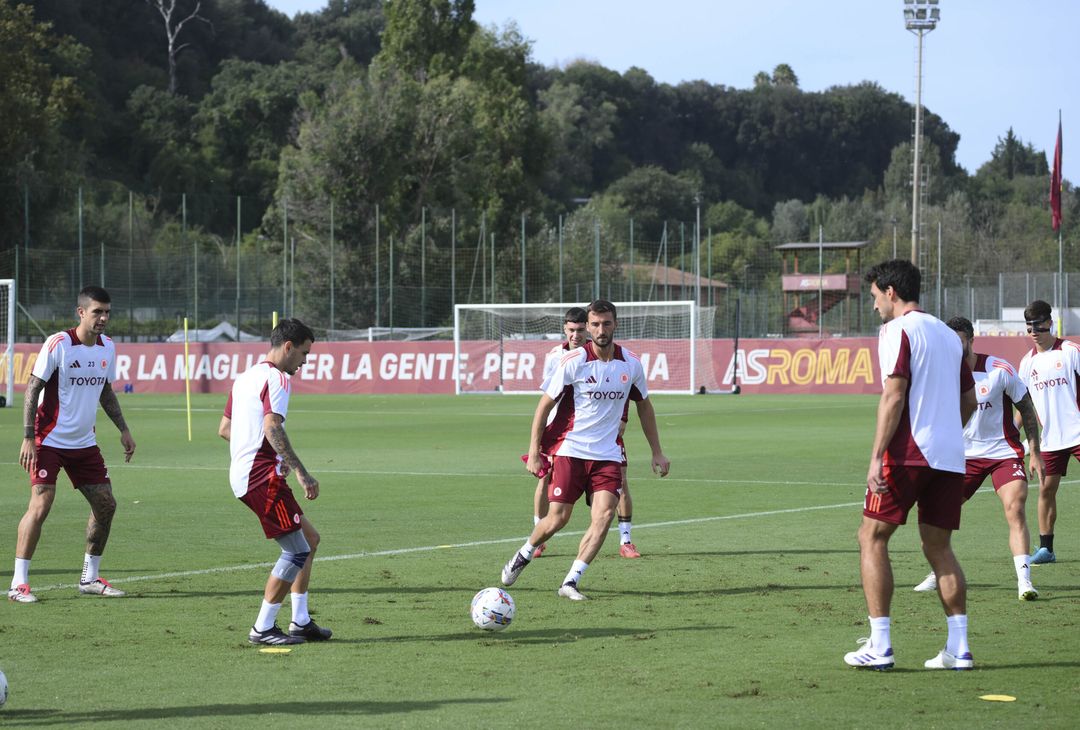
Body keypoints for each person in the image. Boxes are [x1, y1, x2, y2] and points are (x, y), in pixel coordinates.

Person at [843, 260, 977, 671]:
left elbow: (894, 395)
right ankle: (959, 649)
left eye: (874, 296)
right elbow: (970, 400)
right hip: (950, 457)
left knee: (871, 537)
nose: (874, 306)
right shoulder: (949, 335)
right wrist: (945, 432)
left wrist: (876, 457)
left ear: (891, 292)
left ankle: (880, 645)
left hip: (908, 453)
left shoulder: (896, 330)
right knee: (939, 547)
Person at [501, 300, 670, 601]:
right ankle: (524, 553)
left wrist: (657, 451)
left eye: (606, 323)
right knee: (558, 518)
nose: (600, 330)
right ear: (589, 327)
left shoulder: (631, 363)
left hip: (607, 454)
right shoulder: (574, 361)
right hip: (571, 450)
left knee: (604, 515)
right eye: (595, 324)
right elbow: (544, 407)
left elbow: (644, 406)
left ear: (615, 324)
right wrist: (535, 451)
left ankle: (570, 581)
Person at [9, 285, 136, 603]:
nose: (103, 318)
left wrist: (123, 429)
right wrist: (28, 437)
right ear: (81, 312)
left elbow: (105, 391)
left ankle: (90, 578)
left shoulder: (107, 347)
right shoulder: (59, 344)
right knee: (41, 505)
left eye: (107, 312)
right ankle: (18, 583)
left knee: (106, 505)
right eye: (97, 312)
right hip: (48, 439)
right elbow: (33, 388)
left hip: (84, 443)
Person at [912, 316, 1043, 600]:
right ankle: (939, 571)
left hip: (1002, 453)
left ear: (971, 340)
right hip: (961, 456)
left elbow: (1026, 407)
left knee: (1015, 508)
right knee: (937, 515)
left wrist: (1035, 450)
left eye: (958, 342)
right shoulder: (940, 374)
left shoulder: (999, 369)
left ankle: (1024, 582)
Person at [218, 318, 331, 645]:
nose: (304, 362)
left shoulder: (244, 378)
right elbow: (272, 426)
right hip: (261, 478)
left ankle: (300, 620)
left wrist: (258, 451)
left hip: (247, 474)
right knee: (296, 550)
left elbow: (224, 429)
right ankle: (263, 628)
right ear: (288, 347)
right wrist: (300, 471)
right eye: (304, 353)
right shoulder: (277, 378)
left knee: (309, 540)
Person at [531, 307, 641, 559]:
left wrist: (623, 417)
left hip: (605, 432)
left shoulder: (610, 357)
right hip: (563, 432)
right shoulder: (557, 357)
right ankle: (537, 537)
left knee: (620, 480)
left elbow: (621, 389)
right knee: (545, 480)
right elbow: (549, 396)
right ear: (565, 329)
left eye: (581, 329)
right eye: (572, 330)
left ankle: (626, 540)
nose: (576, 335)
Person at [1017, 299, 1080, 564]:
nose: (1034, 331)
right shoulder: (1027, 363)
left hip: (1078, 432)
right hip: (1051, 439)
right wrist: (1012, 430)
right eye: (1029, 327)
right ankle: (1046, 549)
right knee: (1045, 490)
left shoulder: (1070, 351)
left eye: (1038, 325)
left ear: (1049, 323)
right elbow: (1024, 404)